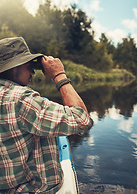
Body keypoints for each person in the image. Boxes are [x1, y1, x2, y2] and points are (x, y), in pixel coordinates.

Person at [0, 36, 93, 193]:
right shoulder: (21, 100)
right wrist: (59, 75)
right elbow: (82, 119)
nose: (33, 72)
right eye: (29, 66)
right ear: (13, 67)